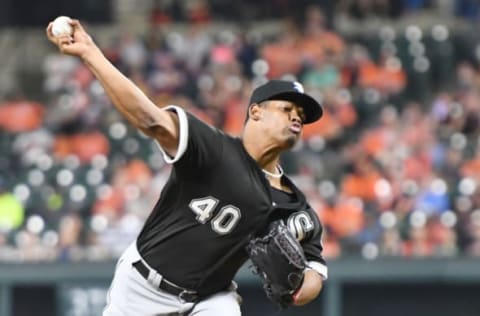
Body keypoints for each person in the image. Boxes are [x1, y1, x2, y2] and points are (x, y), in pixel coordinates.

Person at [46, 19, 328, 316]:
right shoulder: (214, 149)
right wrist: (91, 53)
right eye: (286, 109)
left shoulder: (294, 206)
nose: (296, 118)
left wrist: (298, 288)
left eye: (301, 115)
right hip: (142, 287)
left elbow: (315, 273)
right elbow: (150, 119)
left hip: (211, 298)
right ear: (255, 112)